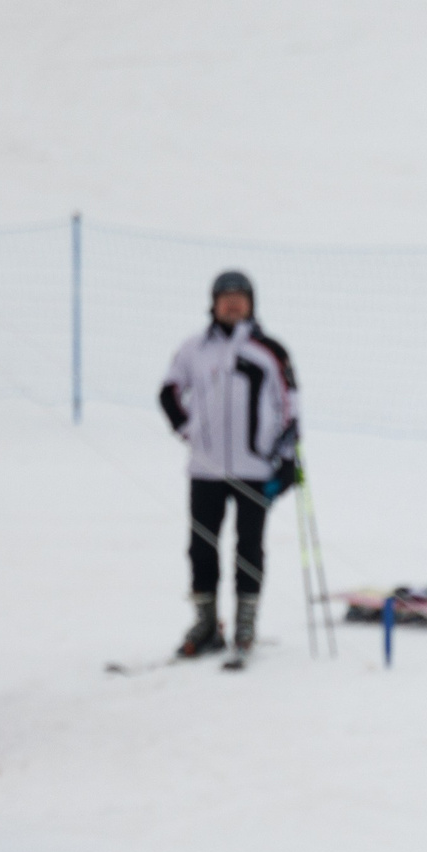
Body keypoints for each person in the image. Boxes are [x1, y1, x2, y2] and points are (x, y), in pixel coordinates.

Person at [159, 270, 299, 661]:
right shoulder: (193, 349)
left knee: (249, 548)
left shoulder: (270, 349)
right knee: (201, 548)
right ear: (213, 304)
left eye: (240, 297)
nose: (233, 304)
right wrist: (188, 429)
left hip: (255, 468)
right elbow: (168, 390)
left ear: (252, 303)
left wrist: (288, 459)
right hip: (205, 469)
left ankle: (245, 623)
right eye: (226, 298)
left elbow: (291, 404)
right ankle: (205, 623)